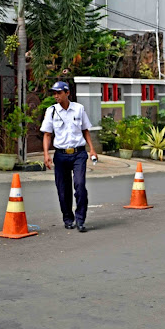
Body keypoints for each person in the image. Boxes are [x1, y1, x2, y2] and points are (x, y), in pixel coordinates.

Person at [40, 82, 98, 233]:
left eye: (59, 93)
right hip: (60, 155)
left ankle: (80, 219)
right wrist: (46, 154)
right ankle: (68, 218)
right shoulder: (51, 111)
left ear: (67, 93)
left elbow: (85, 130)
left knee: (80, 185)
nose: (56, 96)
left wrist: (92, 149)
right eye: (54, 93)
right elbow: (47, 134)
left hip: (79, 153)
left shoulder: (78, 109)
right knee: (62, 189)